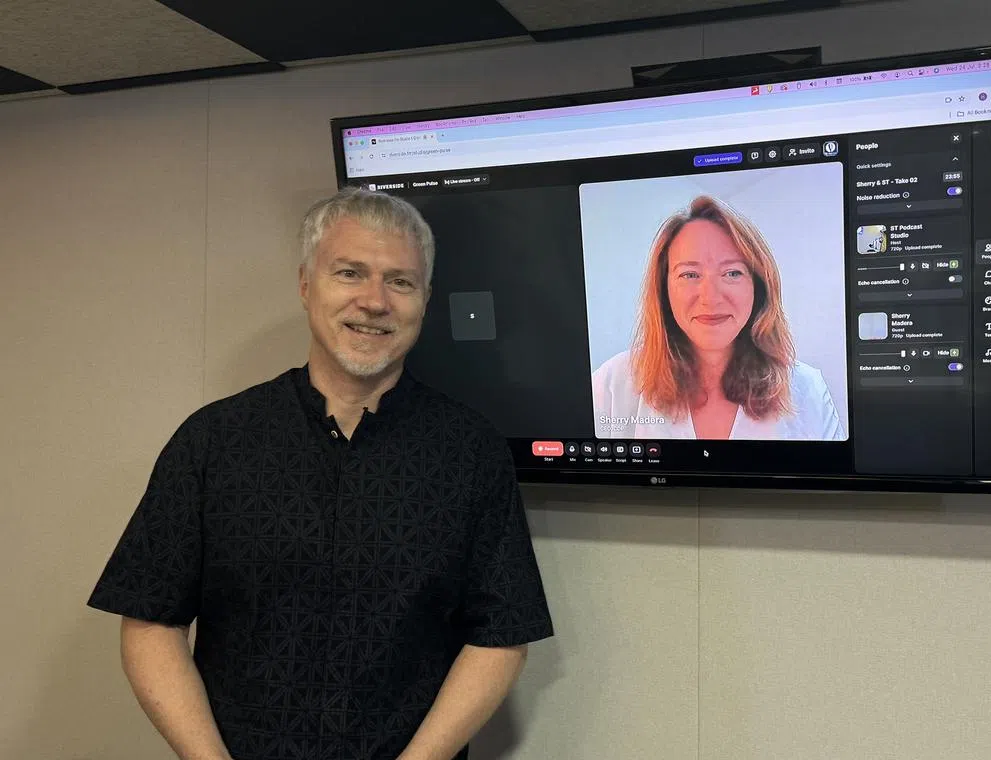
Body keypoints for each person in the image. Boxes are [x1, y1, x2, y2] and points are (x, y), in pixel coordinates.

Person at [87, 187, 554, 760]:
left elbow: (501, 635)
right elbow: (150, 622)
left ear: (425, 300)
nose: (375, 301)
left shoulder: (471, 450)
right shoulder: (212, 440)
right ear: (306, 284)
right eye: (350, 273)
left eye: (401, 282)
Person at [592, 195, 845, 441]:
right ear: (663, 289)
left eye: (732, 273)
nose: (710, 298)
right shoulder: (612, 384)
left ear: (758, 287)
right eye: (690, 275)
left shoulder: (807, 390)